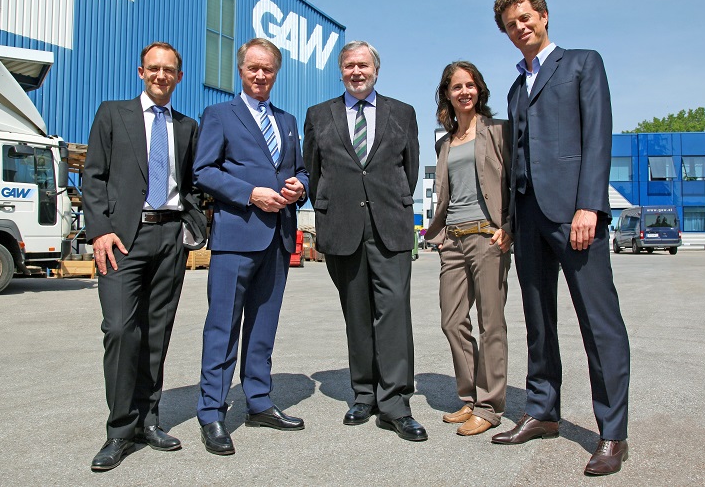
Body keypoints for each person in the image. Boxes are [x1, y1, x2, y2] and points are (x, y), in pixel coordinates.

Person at [490, 0, 631, 476]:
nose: (520, 27)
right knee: (538, 320)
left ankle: (612, 433)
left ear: (544, 17)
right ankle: (543, 411)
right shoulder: (516, 88)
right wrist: (511, 220)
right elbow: (517, 159)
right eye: (511, 24)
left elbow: (597, 135)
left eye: (526, 18)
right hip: (528, 216)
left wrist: (590, 204)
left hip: (574, 214)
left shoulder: (582, 63)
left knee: (598, 322)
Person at [83, 42, 207, 471]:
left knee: (157, 331)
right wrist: (99, 230)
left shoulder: (187, 126)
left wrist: (191, 221)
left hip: (169, 236)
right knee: (120, 329)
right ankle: (119, 430)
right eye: (153, 68)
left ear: (179, 77)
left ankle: (148, 420)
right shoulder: (112, 114)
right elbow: (93, 176)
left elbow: (191, 184)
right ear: (141, 72)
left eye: (169, 70)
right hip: (122, 238)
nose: (160, 75)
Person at [303, 41, 426, 442]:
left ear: (376, 70)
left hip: (389, 225)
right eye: (349, 65)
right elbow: (314, 172)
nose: (357, 71)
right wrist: (335, 207)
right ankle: (364, 394)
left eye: (364, 65)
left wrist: (388, 202)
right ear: (340, 71)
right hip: (342, 226)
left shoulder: (402, 113)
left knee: (393, 312)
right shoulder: (319, 115)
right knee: (356, 313)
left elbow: (409, 170)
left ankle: (395, 403)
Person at [193, 38, 309, 456]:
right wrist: (250, 193)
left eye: (268, 69)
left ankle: (259, 401)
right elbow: (203, 171)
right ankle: (211, 411)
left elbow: (300, 169)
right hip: (237, 236)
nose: (260, 75)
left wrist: (300, 186)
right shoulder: (219, 115)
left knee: (263, 325)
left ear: (276, 73)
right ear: (240, 70)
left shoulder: (287, 120)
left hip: (278, 237)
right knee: (223, 326)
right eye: (253, 68)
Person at [423, 61, 512, 436]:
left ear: (480, 90)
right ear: (447, 93)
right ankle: (470, 397)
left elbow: (516, 182)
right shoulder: (444, 143)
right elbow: (446, 194)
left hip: (488, 237)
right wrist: (441, 235)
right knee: (452, 320)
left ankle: (489, 406)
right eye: (457, 86)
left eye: (470, 85)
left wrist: (510, 227)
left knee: (491, 323)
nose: (464, 92)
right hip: (454, 240)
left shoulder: (498, 131)